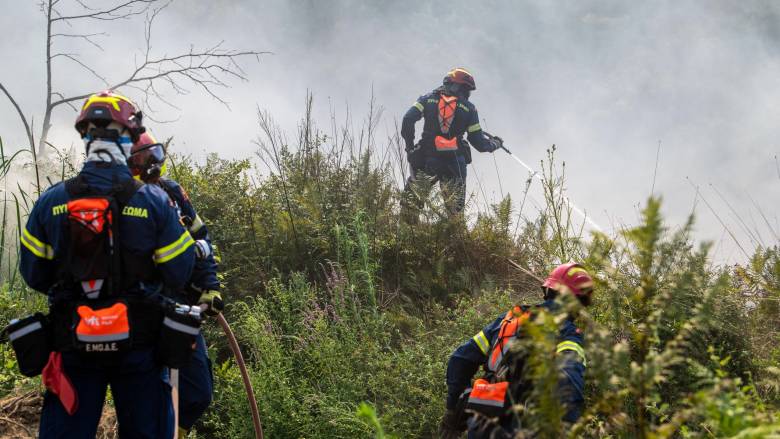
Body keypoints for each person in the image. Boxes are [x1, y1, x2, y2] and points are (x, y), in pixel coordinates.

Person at [19, 90, 196, 438]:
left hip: (73, 347)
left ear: (85, 136)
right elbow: (179, 272)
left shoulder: (51, 201)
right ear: (129, 137)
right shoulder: (154, 201)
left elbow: (33, 274)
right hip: (140, 351)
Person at [128, 131, 224, 437]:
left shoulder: (172, 192)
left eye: (155, 155)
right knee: (151, 393)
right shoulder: (124, 200)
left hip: (181, 307)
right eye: (144, 158)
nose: (152, 164)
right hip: (141, 311)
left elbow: (202, 240)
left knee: (198, 392)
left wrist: (210, 287)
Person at [440, 263, 592, 439]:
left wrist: (452, 411)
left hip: (482, 424)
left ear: (548, 291)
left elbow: (459, 359)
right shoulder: (568, 334)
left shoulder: (508, 321)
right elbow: (569, 385)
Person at [401, 67, 503, 219]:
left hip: (427, 158)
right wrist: (495, 143)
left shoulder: (427, 99)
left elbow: (407, 119)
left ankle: (406, 229)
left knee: (410, 204)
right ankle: (453, 232)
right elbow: (479, 143)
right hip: (455, 163)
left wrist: (410, 148)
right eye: (467, 90)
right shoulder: (470, 109)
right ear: (460, 88)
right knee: (455, 214)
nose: (468, 94)